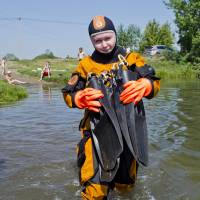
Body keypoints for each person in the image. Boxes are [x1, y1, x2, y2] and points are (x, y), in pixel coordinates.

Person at [62, 16, 160, 199]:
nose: (104, 44)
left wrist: (146, 85)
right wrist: (78, 98)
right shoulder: (85, 65)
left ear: (115, 35)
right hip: (96, 132)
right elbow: (68, 93)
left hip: (128, 133)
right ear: (91, 41)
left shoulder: (131, 59)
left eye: (108, 38)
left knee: (125, 187)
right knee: (95, 189)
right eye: (97, 40)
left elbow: (154, 82)